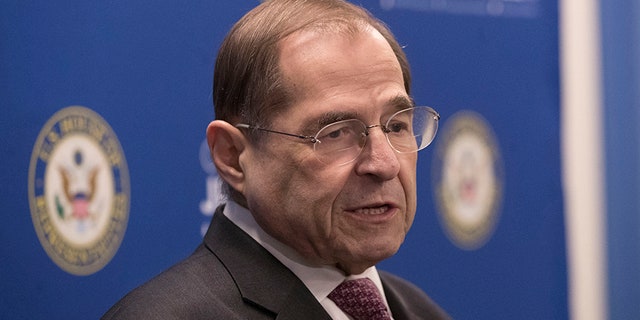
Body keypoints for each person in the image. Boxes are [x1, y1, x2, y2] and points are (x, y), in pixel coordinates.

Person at [102, 0, 449, 319]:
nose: (385, 164)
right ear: (233, 157)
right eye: (336, 133)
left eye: (397, 125)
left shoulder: (419, 311)